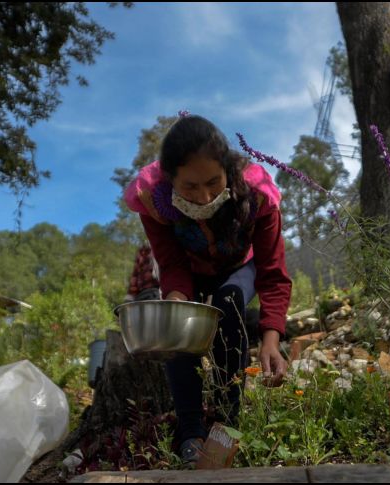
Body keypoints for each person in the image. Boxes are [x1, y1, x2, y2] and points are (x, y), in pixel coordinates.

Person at [124, 114, 291, 463]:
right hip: (190, 273)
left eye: (214, 182)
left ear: (228, 170)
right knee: (180, 323)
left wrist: (271, 338)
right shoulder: (154, 200)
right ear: (171, 181)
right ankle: (191, 431)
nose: (203, 196)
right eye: (190, 188)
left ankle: (229, 425)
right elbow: (171, 264)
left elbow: (273, 271)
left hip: (240, 268)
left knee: (230, 302)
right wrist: (175, 302)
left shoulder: (258, 196)